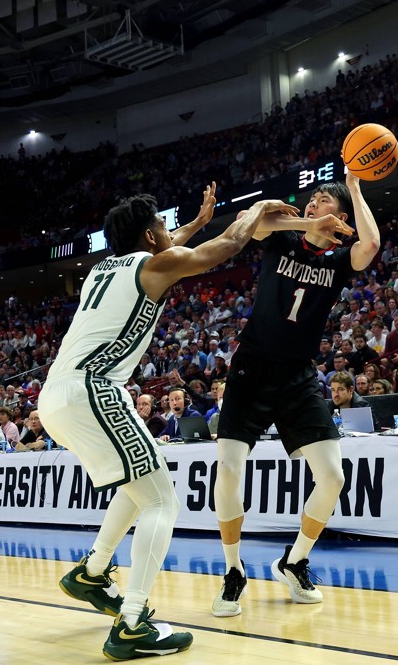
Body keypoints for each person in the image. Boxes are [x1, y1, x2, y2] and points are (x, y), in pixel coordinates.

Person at [44, 186, 297, 659]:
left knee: (139, 486)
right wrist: (257, 210)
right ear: (147, 234)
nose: (168, 233)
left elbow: (171, 242)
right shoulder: (152, 265)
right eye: (161, 226)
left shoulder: (106, 267)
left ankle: (93, 571)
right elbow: (219, 251)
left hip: (58, 396)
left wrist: (197, 222)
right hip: (94, 388)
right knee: (163, 501)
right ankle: (134, 623)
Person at [212, 174, 378, 618]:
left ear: (341, 217)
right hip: (251, 367)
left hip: (298, 376)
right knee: (228, 470)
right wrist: (310, 223)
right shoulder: (281, 238)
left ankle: (295, 559)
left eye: (322, 200)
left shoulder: (341, 260)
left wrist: (355, 190)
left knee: (333, 478)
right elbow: (256, 224)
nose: (310, 205)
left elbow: (371, 245)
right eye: (310, 200)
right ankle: (233, 571)